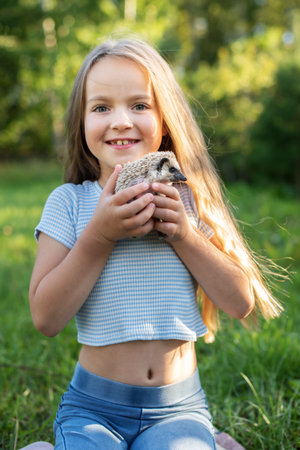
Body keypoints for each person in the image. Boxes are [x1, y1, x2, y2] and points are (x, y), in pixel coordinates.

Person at [29, 37, 283, 450]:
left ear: (165, 118)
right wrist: (99, 235)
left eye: (140, 105)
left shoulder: (187, 198)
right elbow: (46, 318)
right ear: (81, 122)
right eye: (101, 107)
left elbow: (240, 303)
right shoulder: (70, 203)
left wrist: (184, 234)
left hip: (178, 410)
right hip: (93, 410)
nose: (121, 120)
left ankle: (207, 441)